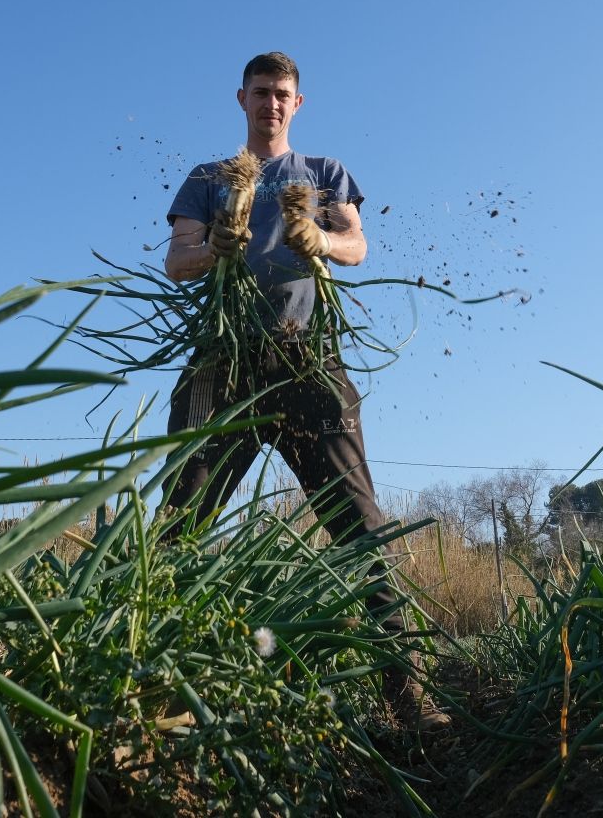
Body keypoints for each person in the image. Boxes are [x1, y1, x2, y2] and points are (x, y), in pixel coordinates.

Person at [161, 51, 449, 731]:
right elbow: (178, 261)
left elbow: (357, 246)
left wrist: (314, 236)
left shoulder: (321, 174)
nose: (271, 103)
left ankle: (407, 695)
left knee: (360, 526)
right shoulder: (210, 179)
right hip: (223, 368)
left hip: (305, 362)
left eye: (282, 94)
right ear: (242, 99)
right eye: (261, 93)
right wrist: (218, 249)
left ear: (298, 103)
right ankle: (158, 694)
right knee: (179, 524)